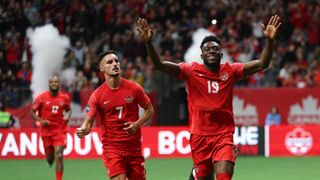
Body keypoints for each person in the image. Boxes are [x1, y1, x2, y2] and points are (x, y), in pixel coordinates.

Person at [137, 15, 281, 180]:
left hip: (223, 135)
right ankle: (195, 174)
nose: (212, 51)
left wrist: (270, 41)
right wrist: (148, 43)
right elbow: (159, 65)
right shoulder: (190, 71)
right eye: (207, 49)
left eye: (215, 49)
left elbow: (262, 63)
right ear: (202, 55)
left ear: (220, 54)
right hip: (199, 137)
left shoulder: (231, 71)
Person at [76, 50, 154, 180]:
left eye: (117, 61)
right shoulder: (97, 95)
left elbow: (150, 109)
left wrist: (136, 124)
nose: (115, 64)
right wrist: (84, 128)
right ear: (102, 68)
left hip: (134, 149)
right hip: (112, 149)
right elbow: (89, 120)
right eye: (110, 62)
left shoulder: (134, 88)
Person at [31, 75, 71, 180]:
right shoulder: (41, 98)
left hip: (60, 131)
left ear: (59, 84)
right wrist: (41, 121)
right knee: (50, 160)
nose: (54, 83)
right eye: (52, 82)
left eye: (56, 82)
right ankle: (50, 154)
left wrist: (67, 116)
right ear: (49, 84)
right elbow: (32, 112)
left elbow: (68, 110)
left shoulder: (65, 98)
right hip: (46, 132)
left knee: (59, 155)